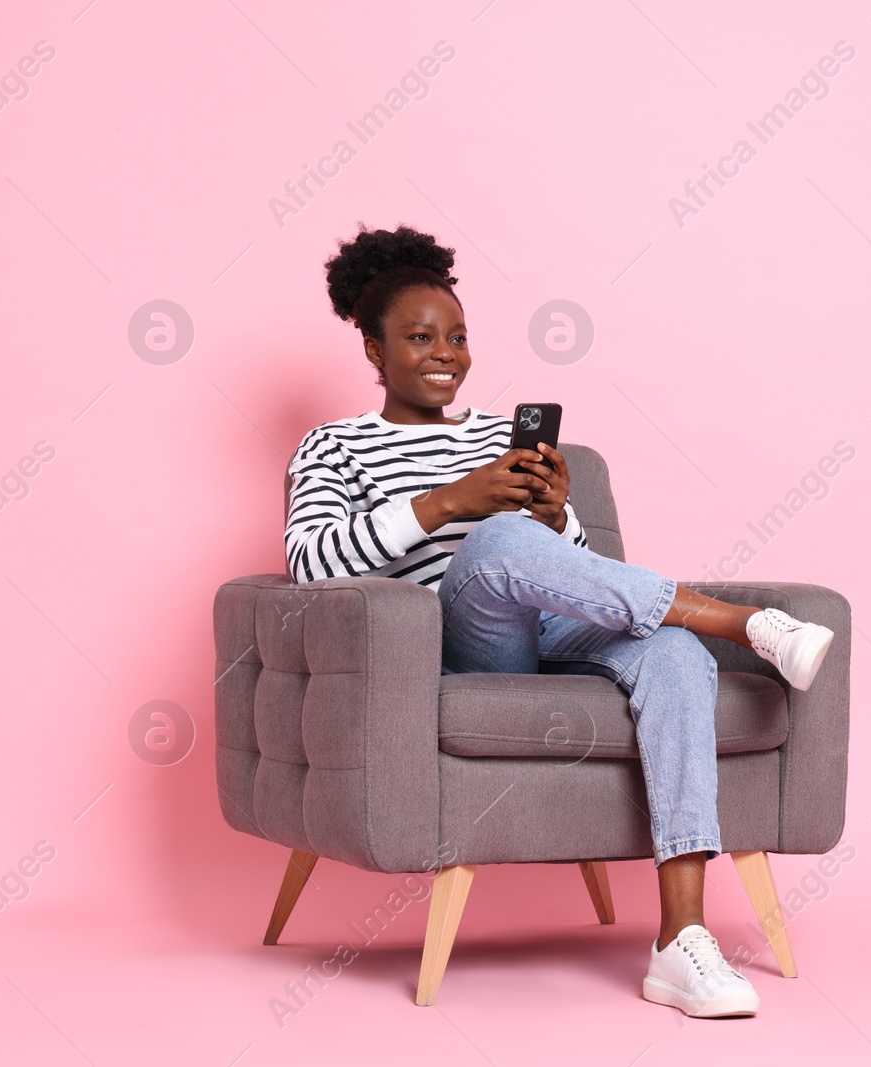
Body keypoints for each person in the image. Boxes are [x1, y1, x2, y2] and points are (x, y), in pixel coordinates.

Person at [284, 223, 835, 1018]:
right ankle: (747, 623)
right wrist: (453, 503)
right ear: (373, 351)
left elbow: (568, 563)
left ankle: (681, 943)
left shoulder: (490, 433)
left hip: (552, 624)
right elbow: (311, 563)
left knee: (674, 651)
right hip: (455, 636)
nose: (445, 353)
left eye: (459, 336)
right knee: (501, 536)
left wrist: (557, 514)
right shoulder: (335, 445)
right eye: (419, 337)